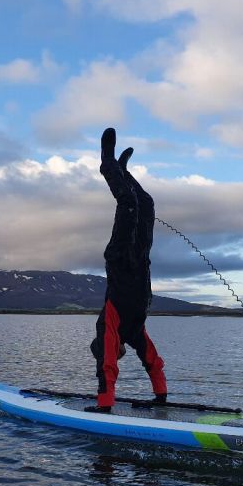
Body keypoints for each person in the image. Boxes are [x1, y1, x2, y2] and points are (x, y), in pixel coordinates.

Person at [85, 128, 167, 413]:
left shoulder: (109, 326)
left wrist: (104, 403)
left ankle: (109, 164)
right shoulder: (134, 332)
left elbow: (105, 366)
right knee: (146, 203)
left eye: (115, 353)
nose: (118, 355)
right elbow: (152, 360)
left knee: (130, 204)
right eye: (119, 353)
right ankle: (120, 169)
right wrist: (161, 397)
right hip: (141, 263)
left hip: (120, 259)